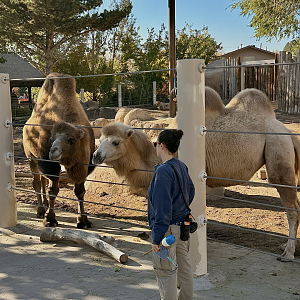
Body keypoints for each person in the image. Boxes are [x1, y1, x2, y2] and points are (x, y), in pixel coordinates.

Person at [147, 129, 195, 300]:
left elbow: (161, 210)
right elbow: (191, 190)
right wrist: (180, 208)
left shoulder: (162, 172)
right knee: (184, 270)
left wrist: (156, 238)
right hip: (183, 229)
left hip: (167, 231)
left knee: (165, 272)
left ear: (162, 145)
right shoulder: (181, 166)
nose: (155, 147)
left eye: (156, 144)